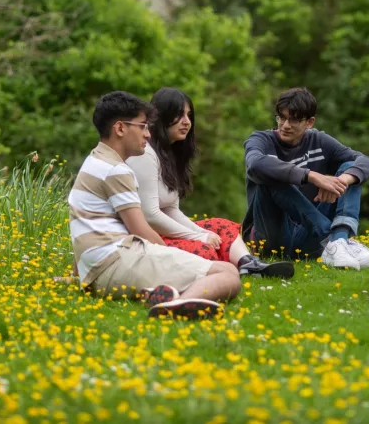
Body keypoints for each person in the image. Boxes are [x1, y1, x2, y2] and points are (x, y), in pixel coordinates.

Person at [68, 91, 241, 319]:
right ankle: (178, 303)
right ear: (120, 128)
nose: (148, 134)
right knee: (228, 274)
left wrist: (79, 273)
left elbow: (86, 225)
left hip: (100, 268)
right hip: (118, 263)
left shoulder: (95, 160)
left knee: (202, 263)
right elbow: (140, 229)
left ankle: (161, 293)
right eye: (142, 126)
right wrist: (170, 255)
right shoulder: (116, 170)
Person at [127, 87, 294, 279]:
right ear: (161, 117)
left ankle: (248, 263)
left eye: (189, 115)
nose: (187, 122)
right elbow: (150, 215)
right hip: (146, 239)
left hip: (164, 231)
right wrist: (198, 236)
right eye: (179, 115)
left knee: (221, 226)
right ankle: (227, 267)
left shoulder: (170, 155)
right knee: (204, 248)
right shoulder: (145, 154)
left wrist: (200, 231)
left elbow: (171, 210)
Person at [242, 87, 369, 270]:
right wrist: (311, 176)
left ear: (310, 122)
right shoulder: (261, 140)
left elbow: (366, 162)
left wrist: (344, 180)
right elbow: (256, 165)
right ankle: (333, 239)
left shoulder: (319, 141)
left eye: (294, 120)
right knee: (271, 177)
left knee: (350, 170)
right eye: (282, 118)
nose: (285, 125)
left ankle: (339, 239)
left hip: (307, 236)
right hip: (271, 237)